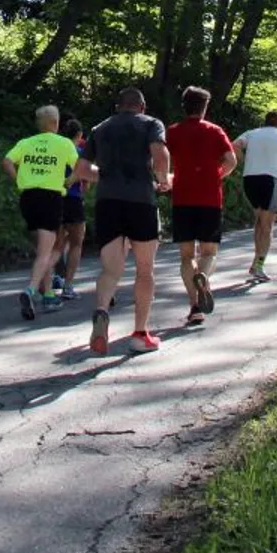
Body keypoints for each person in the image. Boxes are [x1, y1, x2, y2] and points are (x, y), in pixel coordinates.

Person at [83, 87, 170, 354]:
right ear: (142, 107)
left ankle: (100, 312)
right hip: (141, 201)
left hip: (108, 202)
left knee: (110, 270)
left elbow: (82, 169)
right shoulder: (152, 124)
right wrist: (162, 180)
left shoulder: (100, 128)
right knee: (145, 270)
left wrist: (108, 176)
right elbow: (160, 155)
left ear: (117, 106)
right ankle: (140, 334)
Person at [165, 86, 236, 326]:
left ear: (184, 106)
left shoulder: (172, 132)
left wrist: (168, 178)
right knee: (209, 252)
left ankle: (195, 307)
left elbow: (161, 160)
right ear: (204, 107)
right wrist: (216, 175)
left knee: (187, 256)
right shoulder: (215, 131)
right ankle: (204, 276)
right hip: (209, 198)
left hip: (182, 198)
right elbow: (231, 161)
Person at [4, 105, 82, 320]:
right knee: (47, 251)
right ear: (56, 123)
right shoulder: (64, 143)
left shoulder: (26, 143)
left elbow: (7, 161)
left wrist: (19, 181)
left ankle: (48, 294)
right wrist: (69, 181)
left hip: (28, 197)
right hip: (50, 197)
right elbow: (80, 167)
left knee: (41, 247)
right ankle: (30, 289)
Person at [233, 111, 277, 282]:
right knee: (267, 225)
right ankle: (259, 265)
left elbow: (234, 145)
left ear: (264, 122)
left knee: (259, 221)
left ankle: (256, 261)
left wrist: (243, 161)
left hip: (250, 178)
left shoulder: (252, 133)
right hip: (270, 179)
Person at [53, 115, 88, 299]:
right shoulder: (80, 151)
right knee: (76, 243)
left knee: (57, 243)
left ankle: (53, 279)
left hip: (56, 198)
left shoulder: (57, 149)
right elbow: (85, 176)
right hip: (74, 198)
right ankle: (68, 285)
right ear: (79, 134)